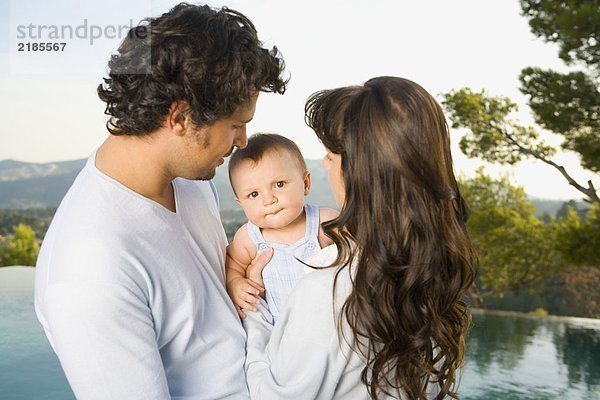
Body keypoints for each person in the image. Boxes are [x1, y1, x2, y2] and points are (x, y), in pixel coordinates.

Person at [34, 3, 286, 399]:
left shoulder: (191, 179)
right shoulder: (87, 268)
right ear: (181, 118)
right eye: (236, 125)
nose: (242, 142)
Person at [242, 76, 478, 399]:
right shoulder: (430, 269)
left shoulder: (329, 286)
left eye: (331, 155)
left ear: (362, 175)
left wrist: (254, 311)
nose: (325, 164)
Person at [225, 133, 338, 321]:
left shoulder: (324, 222)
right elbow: (233, 264)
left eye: (279, 184)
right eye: (253, 194)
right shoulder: (249, 237)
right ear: (240, 203)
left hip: (327, 323)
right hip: (279, 327)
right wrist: (235, 283)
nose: (269, 200)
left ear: (305, 183)